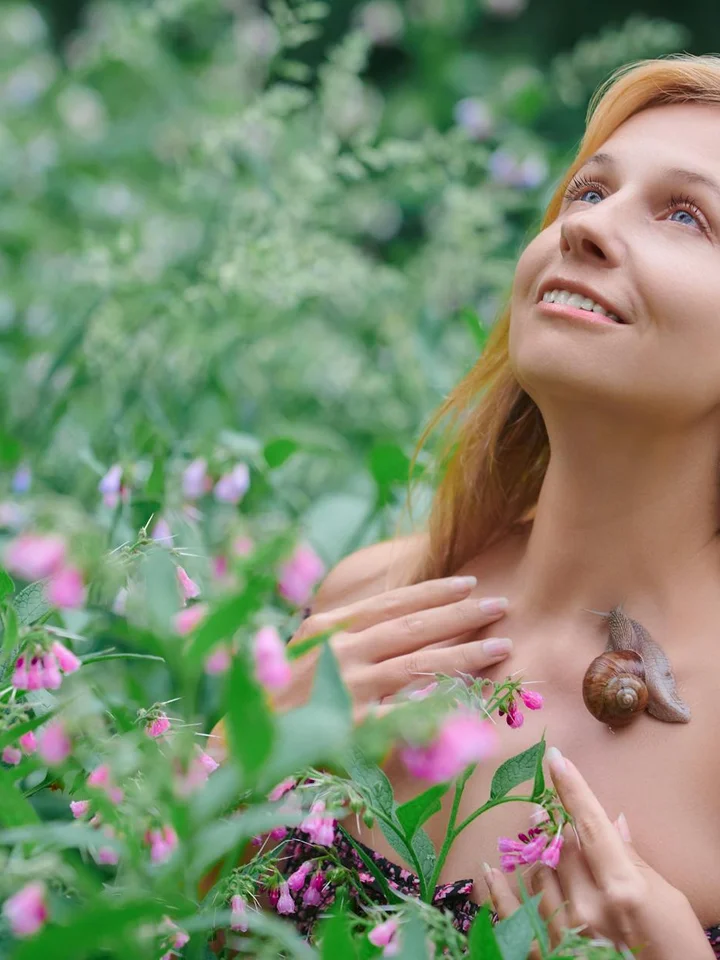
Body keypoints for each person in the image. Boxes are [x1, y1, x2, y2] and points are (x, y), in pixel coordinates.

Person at [212, 53, 720, 958]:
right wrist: (224, 774)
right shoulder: (369, 605)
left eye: (688, 216)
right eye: (586, 192)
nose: (589, 230)